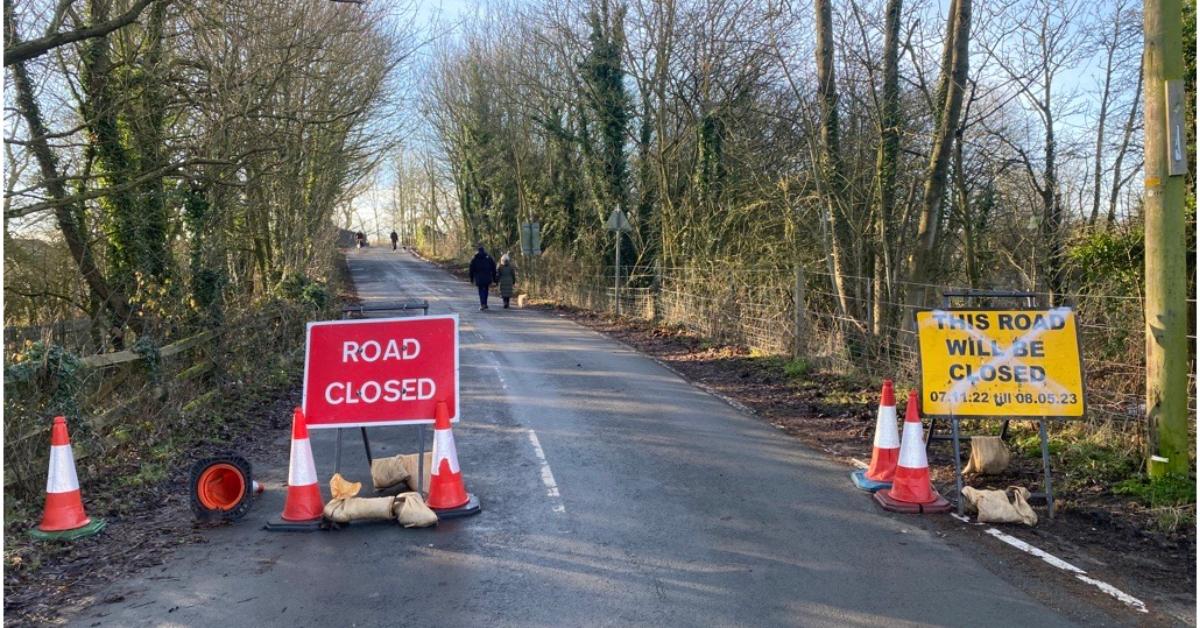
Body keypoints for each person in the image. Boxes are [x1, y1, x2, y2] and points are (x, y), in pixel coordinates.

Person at [468, 244, 497, 310]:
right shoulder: (488, 258)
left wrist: (471, 279)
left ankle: (482, 304)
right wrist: (494, 278)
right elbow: (493, 267)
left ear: (478, 251)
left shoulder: (474, 258)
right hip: (487, 277)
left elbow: (471, 269)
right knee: (486, 289)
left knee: (480, 290)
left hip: (479, 278)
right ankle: (485, 303)